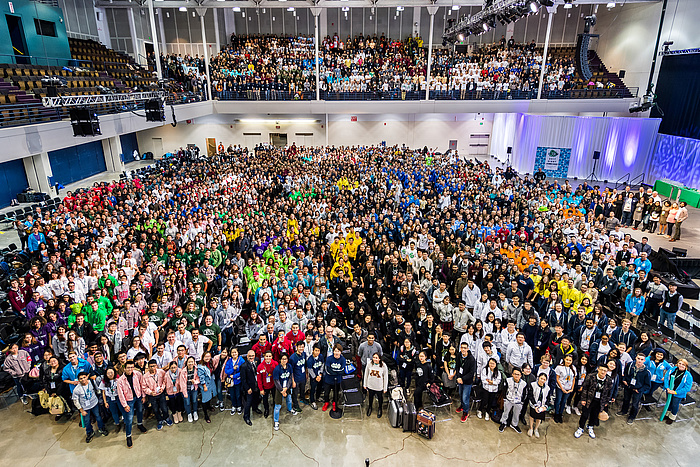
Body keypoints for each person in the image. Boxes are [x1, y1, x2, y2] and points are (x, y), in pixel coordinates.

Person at [574, 364, 613, 439]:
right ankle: (581, 428)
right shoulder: (591, 376)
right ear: (598, 369)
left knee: (594, 415)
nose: (603, 372)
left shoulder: (609, 380)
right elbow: (585, 388)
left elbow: (609, 392)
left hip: (600, 401)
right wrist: (583, 399)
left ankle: (590, 426)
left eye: (605, 370)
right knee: (585, 414)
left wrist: (606, 402)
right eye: (601, 370)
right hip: (589, 399)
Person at [116, 360, 147, 448]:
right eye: (128, 368)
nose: (130, 369)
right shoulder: (120, 381)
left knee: (140, 411)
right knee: (129, 418)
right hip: (128, 400)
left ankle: (140, 424)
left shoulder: (137, 374)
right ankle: (128, 436)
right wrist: (125, 405)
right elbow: (120, 394)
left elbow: (142, 385)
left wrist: (143, 396)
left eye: (132, 367)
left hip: (138, 396)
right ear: (124, 368)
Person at [72, 371, 108, 443]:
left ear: (87, 377)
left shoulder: (91, 382)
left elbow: (97, 390)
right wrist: (81, 410)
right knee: (87, 421)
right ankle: (89, 432)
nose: (83, 380)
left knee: (98, 417)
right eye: (81, 378)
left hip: (94, 404)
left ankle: (101, 428)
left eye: (84, 377)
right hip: (85, 407)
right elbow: (75, 401)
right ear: (78, 380)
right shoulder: (76, 389)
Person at [617, 353, 651, 424]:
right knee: (626, 399)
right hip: (628, 386)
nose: (639, 361)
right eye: (638, 358)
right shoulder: (630, 365)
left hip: (637, 390)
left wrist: (639, 390)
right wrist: (624, 380)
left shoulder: (646, 372)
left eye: (642, 359)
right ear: (635, 358)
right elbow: (625, 373)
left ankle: (631, 417)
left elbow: (647, 385)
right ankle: (624, 411)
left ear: (644, 360)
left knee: (635, 404)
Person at [142, 358, 172, 430]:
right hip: (152, 395)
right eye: (151, 366)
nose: (152, 368)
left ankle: (166, 418)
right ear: (148, 367)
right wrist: (150, 392)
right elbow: (144, 387)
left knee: (164, 407)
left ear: (156, 366)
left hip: (161, 393)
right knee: (155, 409)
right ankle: (159, 420)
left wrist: (162, 388)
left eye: (154, 366)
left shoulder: (161, 372)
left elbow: (165, 381)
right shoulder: (145, 376)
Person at [663, 359, 694, 424]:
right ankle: (667, 414)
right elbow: (666, 378)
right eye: (680, 363)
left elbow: (687, 388)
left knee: (674, 405)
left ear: (686, 366)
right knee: (669, 402)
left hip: (678, 393)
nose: (681, 365)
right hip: (669, 390)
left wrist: (675, 392)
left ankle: (672, 417)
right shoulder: (672, 369)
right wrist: (667, 387)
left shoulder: (688, 375)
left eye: (683, 364)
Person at [272, 353, 297, 431]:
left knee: (289, 399)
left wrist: (286, 388)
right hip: (279, 389)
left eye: (285, 359)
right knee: (277, 406)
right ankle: (276, 421)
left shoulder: (289, 366)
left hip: (287, 387)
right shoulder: (277, 369)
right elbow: (276, 381)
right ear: (280, 360)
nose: (284, 360)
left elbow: (290, 377)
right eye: (282, 359)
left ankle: (290, 409)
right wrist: (282, 390)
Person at [499, 367, 526, 433]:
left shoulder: (524, 384)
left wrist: (522, 402)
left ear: (521, 375)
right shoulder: (508, 380)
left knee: (516, 414)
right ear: (512, 374)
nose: (516, 376)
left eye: (518, 374)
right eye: (515, 374)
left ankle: (514, 424)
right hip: (509, 399)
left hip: (518, 401)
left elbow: (525, 393)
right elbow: (504, 390)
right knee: (506, 412)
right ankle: (503, 422)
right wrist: (505, 399)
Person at [322, 344, 346, 412]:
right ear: (333, 351)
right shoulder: (329, 358)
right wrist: (336, 372)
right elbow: (327, 370)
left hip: (337, 380)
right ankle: (326, 402)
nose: (336, 353)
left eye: (338, 351)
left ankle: (334, 403)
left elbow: (342, 371)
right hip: (328, 380)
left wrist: (333, 371)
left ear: (340, 352)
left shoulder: (343, 359)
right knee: (326, 393)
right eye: (335, 351)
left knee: (336, 393)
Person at [363, 352, 388, 418]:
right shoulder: (369, 364)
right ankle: (370, 407)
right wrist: (365, 384)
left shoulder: (383, 366)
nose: (374, 359)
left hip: (379, 386)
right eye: (374, 357)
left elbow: (385, 377)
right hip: (370, 385)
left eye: (376, 358)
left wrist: (385, 388)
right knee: (370, 398)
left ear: (379, 359)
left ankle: (380, 408)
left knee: (380, 398)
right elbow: (366, 374)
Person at [455, 341, 476, 422]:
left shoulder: (471, 359)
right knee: (460, 395)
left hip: (467, 382)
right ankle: (462, 406)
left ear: (468, 349)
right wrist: (458, 377)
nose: (463, 349)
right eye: (462, 348)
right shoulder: (459, 356)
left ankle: (465, 412)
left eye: (465, 348)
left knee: (465, 397)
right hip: (460, 379)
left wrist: (462, 379)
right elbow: (457, 367)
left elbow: (471, 373)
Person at [553, 354, 576, 423]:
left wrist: (572, 388)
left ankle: (560, 414)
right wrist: (562, 388)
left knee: (564, 401)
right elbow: (557, 378)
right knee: (558, 400)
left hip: (568, 388)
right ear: (564, 359)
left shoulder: (573, 368)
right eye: (567, 360)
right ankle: (556, 414)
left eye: (570, 360)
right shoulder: (559, 367)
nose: (568, 362)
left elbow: (573, 379)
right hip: (560, 387)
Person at [526, 372, 549, 438]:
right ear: (538, 378)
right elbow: (530, 396)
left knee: (539, 418)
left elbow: (548, 398)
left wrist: (545, 406)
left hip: (542, 406)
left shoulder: (547, 388)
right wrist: (535, 405)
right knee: (532, 416)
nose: (542, 380)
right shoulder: (533, 385)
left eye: (544, 379)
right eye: (541, 378)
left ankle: (536, 429)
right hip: (534, 404)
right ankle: (531, 428)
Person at [223, 348, 245, 415]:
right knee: (232, 395)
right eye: (232, 352)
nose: (234, 354)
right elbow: (226, 371)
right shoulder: (229, 361)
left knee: (238, 395)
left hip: (238, 381)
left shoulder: (241, 360)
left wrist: (234, 376)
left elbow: (243, 371)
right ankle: (234, 406)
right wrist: (233, 369)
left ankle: (239, 406)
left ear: (238, 352)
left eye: (235, 352)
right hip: (231, 382)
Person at [241, 350, 260, 426]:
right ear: (247, 356)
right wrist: (247, 388)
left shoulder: (257, 360)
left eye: (252, 356)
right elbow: (243, 379)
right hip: (249, 388)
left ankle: (255, 408)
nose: (251, 357)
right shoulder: (244, 366)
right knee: (248, 403)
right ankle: (246, 417)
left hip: (256, 385)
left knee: (256, 399)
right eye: (250, 356)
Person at [257, 350, 278, 418]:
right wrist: (261, 389)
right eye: (267, 356)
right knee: (265, 400)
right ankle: (266, 410)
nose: (268, 358)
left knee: (275, 397)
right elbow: (259, 379)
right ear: (264, 357)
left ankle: (275, 408)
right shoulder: (260, 366)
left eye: (269, 356)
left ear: (272, 357)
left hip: (274, 385)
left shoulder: (275, 364)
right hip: (265, 387)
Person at [182, 356, 200, 423]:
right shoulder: (183, 371)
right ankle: (189, 413)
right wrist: (185, 393)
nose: (190, 363)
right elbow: (182, 383)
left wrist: (195, 382)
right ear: (187, 363)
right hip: (186, 389)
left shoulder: (196, 369)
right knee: (187, 402)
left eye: (192, 362)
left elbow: (198, 379)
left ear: (194, 362)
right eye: (189, 362)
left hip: (194, 388)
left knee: (195, 400)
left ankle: (195, 412)